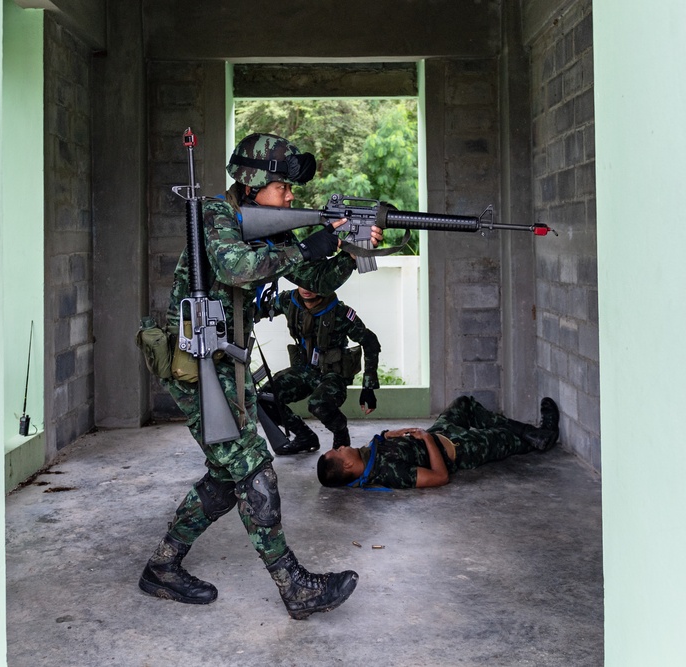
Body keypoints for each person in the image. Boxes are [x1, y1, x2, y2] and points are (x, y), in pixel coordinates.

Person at [139, 132, 382, 619]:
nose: (289, 197)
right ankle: (295, 587)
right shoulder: (215, 215)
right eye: (281, 188)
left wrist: (350, 250)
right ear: (251, 184)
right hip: (195, 361)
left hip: (225, 358)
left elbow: (316, 280)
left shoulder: (269, 226)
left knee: (227, 476)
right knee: (253, 470)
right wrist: (305, 248)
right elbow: (234, 267)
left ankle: (163, 567)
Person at [317, 395, 560, 489]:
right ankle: (541, 435)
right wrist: (428, 441)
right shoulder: (390, 473)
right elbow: (439, 477)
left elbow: (384, 441)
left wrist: (389, 434)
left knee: (464, 403)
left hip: (439, 431)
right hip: (459, 449)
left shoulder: (365, 456)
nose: (341, 446)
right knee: (503, 437)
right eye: (338, 451)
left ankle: (529, 432)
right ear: (347, 466)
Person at [257, 286, 381, 455]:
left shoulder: (340, 312)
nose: (306, 288)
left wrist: (368, 386)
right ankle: (304, 436)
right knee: (265, 399)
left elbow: (370, 341)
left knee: (318, 404)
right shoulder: (288, 301)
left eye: (312, 284)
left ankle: (341, 436)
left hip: (332, 374)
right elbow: (257, 311)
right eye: (302, 282)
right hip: (304, 370)